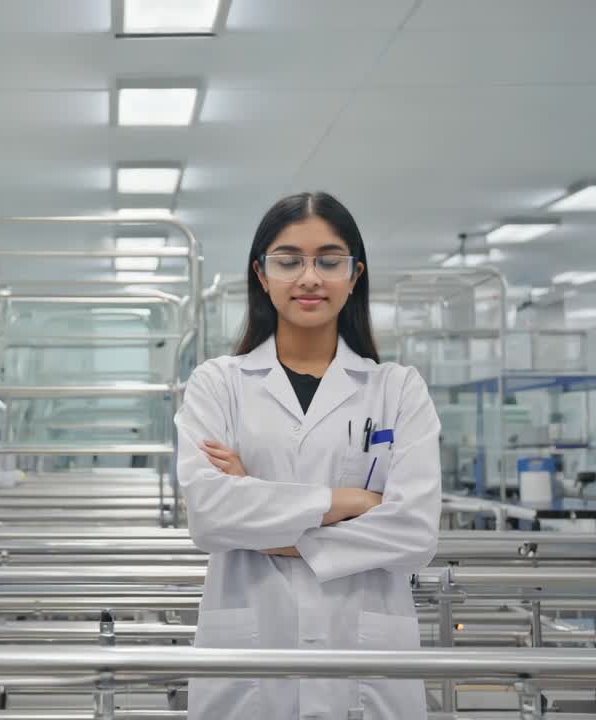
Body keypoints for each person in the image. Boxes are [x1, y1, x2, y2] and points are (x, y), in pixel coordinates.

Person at [174, 192, 442, 719]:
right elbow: (210, 517)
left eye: (329, 259)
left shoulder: (398, 389)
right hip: (251, 650)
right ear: (261, 272)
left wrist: (264, 515)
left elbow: (414, 531)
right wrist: (351, 500)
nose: (309, 277)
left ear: (355, 273)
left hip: (366, 652)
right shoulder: (219, 384)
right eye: (289, 260)